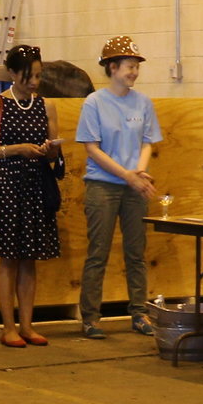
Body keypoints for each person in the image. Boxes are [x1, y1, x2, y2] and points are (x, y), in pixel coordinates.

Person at [0, 43, 63, 349]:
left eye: (38, 75)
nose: (34, 82)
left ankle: (27, 325)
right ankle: (7, 326)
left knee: (31, 259)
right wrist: (15, 149)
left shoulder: (46, 106)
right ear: (11, 73)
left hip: (37, 183)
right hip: (7, 186)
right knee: (9, 259)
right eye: (27, 76)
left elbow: (54, 150)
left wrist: (51, 150)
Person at [75, 35, 163, 338]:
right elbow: (92, 148)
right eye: (129, 66)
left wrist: (138, 171)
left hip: (135, 185)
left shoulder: (143, 103)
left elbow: (148, 142)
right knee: (98, 251)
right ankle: (90, 317)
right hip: (103, 184)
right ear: (112, 67)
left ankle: (140, 312)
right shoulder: (95, 102)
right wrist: (127, 175)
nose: (134, 72)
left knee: (136, 251)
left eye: (136, 66)